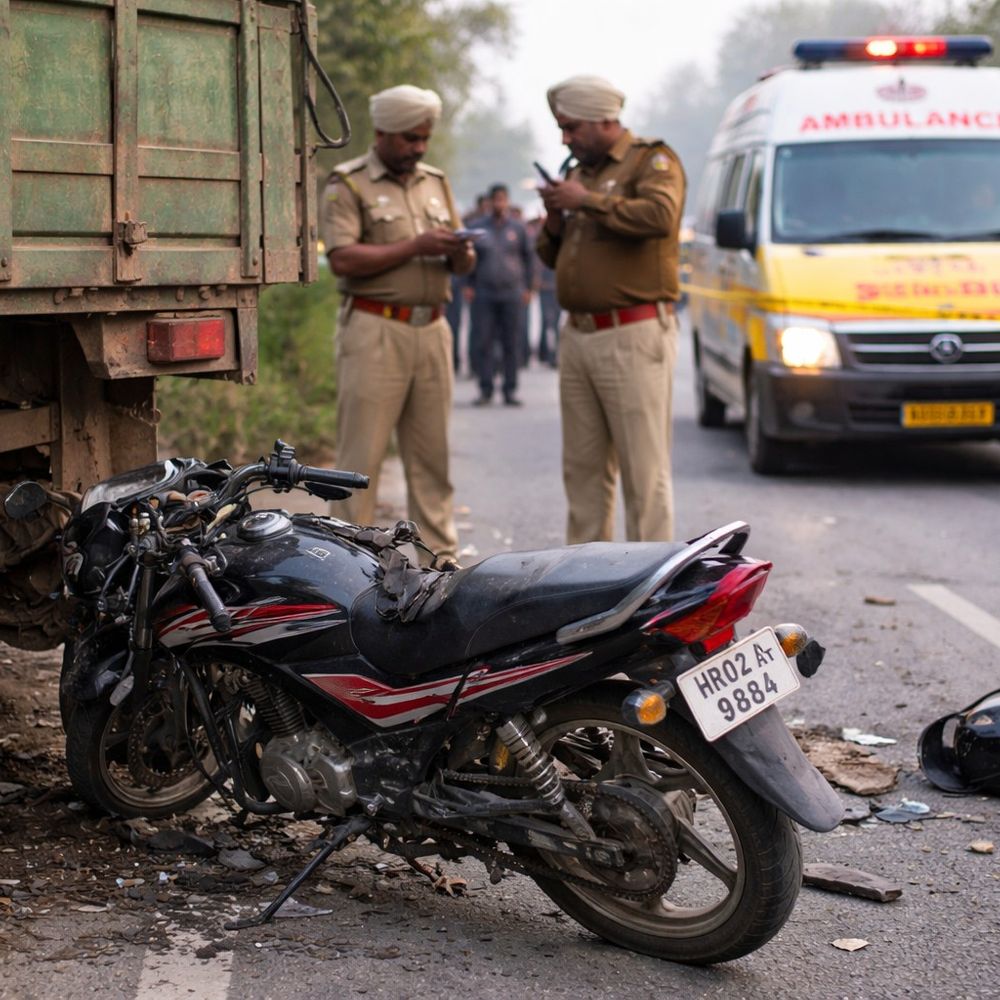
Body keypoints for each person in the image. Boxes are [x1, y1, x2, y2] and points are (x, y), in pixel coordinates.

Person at [322, 84, 475, 564]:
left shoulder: (435, 181)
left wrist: (461, 251)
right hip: (375, 329)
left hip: (433, 330)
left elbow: (462, 264)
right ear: (383, 132)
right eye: (410, 138)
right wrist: (415, 247)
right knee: (360, 456)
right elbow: (343, 258)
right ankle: (351, 559)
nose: (418, 148)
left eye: (425, 138)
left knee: (433, 456)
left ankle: (439, 559)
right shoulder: (348, 183)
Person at [537, 75, 685, 543]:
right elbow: (550, 255)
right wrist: (558, 215)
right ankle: (586, 584)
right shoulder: (580, 173)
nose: (565, 138)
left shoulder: (652, 160)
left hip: (633, 335)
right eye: (561, 128)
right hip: (578, 335)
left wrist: (589, 202)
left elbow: (661, 216)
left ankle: (652, 589)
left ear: (604, 120)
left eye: (571, 127)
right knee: (582, 472)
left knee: (645, 473)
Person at [465, 183, 534, 406]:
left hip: (512, 293)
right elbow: (468, 259)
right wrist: (468, 284)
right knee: (483, 341)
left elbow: (528, 259)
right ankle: (485, 389)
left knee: (511, 342)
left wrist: (529, 288)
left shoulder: (518, 228)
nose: (499, 204)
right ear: (489, 202)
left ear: (507, 201)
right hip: (484, 292)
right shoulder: (477, 228)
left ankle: (510, 389)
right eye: (496, 200)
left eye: (503, 199)